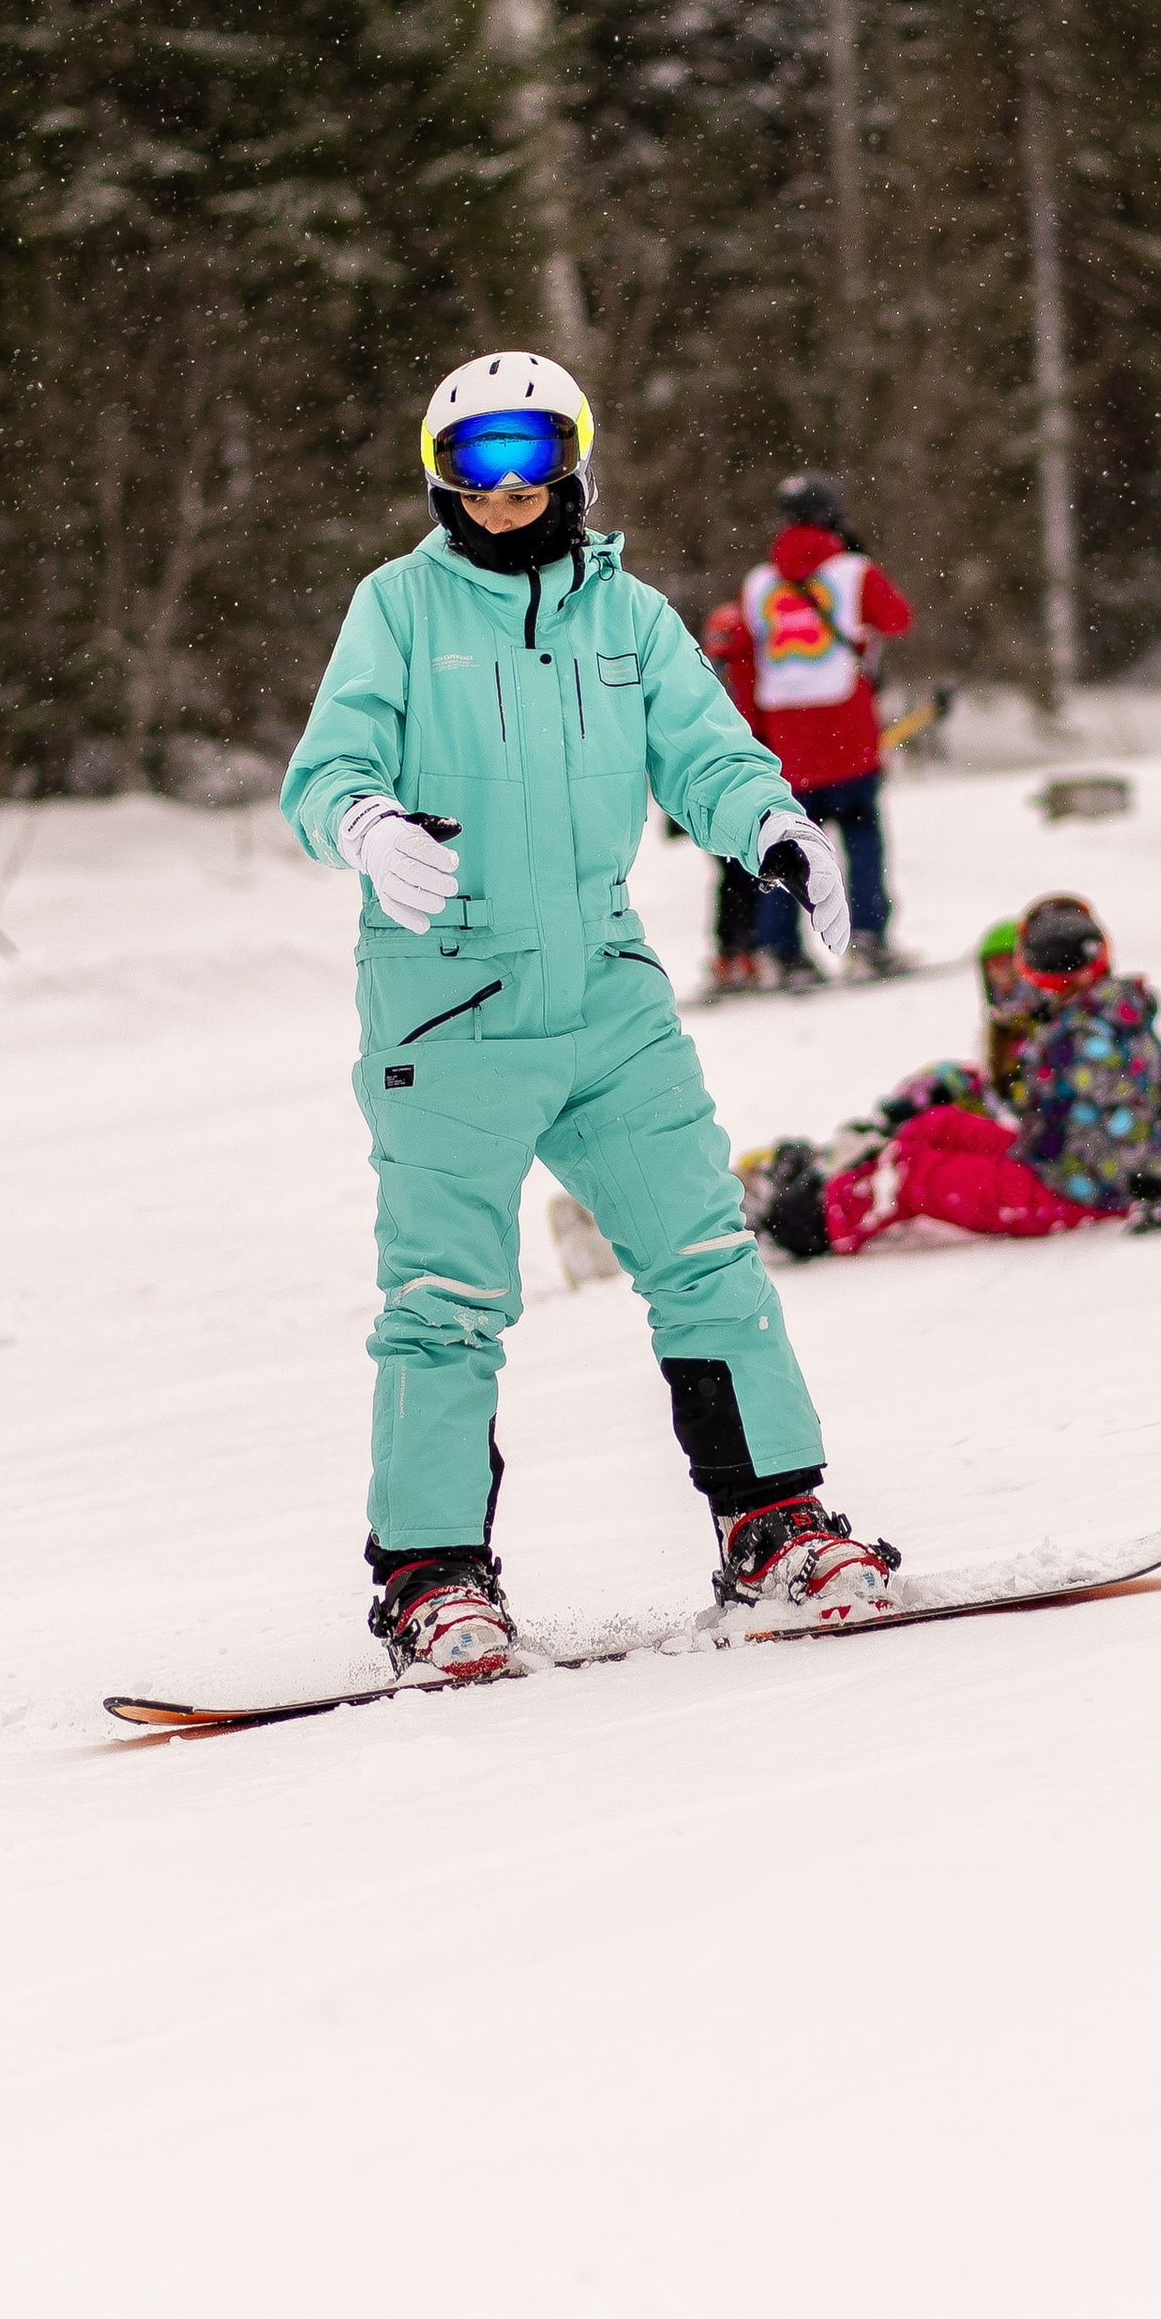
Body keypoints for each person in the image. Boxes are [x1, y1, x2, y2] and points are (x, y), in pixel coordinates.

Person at [280, 350, 902, 1679]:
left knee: (707, 1256)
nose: (504, 490)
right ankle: (434, 1580)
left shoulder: (630, 617)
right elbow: (324, 765)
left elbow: (708, 753)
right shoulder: (396, 609)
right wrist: (365, 819)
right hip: (445, 1011)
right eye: (473, 465)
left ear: (573, 460)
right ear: (441, 480)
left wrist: (779, 828)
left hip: (609, 999)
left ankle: (773, 1528)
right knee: (443, 1300)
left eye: (529, 456)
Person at [746, 894, 1161, 1260]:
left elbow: (1128, 1108)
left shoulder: (1087, 1035)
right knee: (935, 1124)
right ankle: (836, 1169)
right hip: (1054, 1158)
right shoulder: (1103, 1011)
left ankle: (809, 1217)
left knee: (913, 1172)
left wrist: (1149, 1186)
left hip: (1078, 1189)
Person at [741, 471, 916, 987]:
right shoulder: (853, 572)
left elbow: (749, 661)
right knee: (862, 839)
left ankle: (780, 952)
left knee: (787, 846)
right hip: (848, 733)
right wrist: (857, 559)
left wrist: (756, 731)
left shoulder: (758, 583)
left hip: (787, 742)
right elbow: (897, 618)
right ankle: (868, 940)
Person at [699, 598, 764, 993]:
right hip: (739, 788)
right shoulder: (749, 675)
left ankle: (732, 953)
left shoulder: (702, 675)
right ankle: (743, 952)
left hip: (716, 792)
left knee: (731, 877)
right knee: (747, 875)